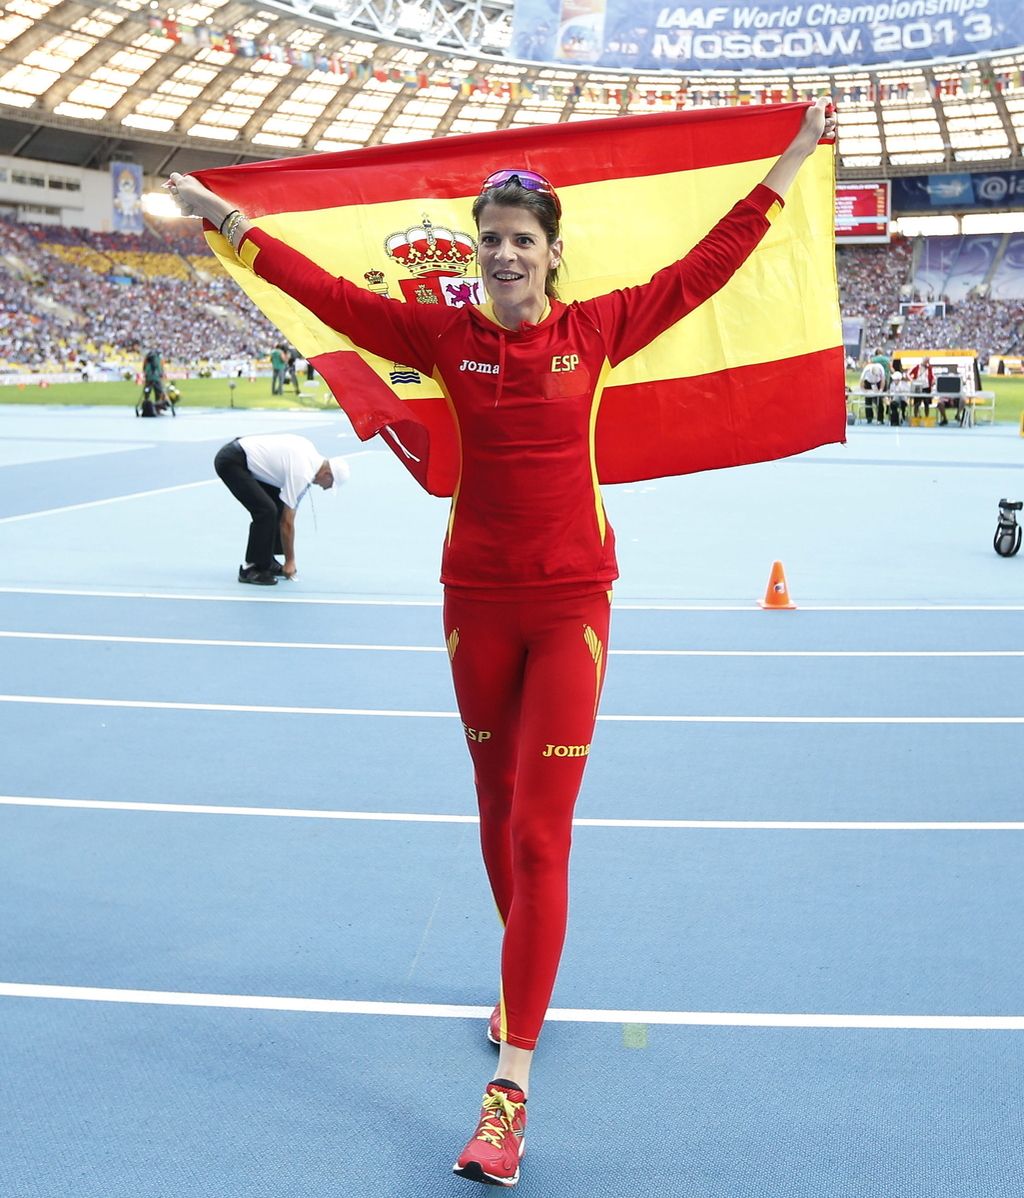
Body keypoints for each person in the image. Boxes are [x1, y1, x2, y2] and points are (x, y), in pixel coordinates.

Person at [169, 96, 836, 1188]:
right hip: (472, 604)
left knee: (538, 836)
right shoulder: (442, 335)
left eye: (521, 241)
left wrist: (788, 164)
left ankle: (510, 1087)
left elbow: (705, 268)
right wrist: (224, 221)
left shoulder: (600, 328)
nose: (504, 256)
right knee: (492, 817)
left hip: (572, 605)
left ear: (551, 254)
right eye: (490, 242)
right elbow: (326, 293)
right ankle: (519, 977)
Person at [213, 433, 349, 584]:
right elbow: (287, 523)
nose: (325, 489)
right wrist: (290, 561)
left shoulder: (310, 456)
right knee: (266, 511)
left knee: (277, 504)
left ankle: (266, 559)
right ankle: (250, 568)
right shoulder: (303, 473)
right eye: (330, 485)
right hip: (232, 461)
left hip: (242, 455)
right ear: (327, 474)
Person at [858, 359, 886, 424]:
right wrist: (863, 390)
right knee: (868, 401)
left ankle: (880, 419)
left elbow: (883, 380)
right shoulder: (867, 370)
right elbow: (861, 381)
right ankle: (869, 418)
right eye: (875, 375)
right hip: (868, 383)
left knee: (879, 402)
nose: (875, 376)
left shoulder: (881, 369)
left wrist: (881, 390)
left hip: (878, 383)